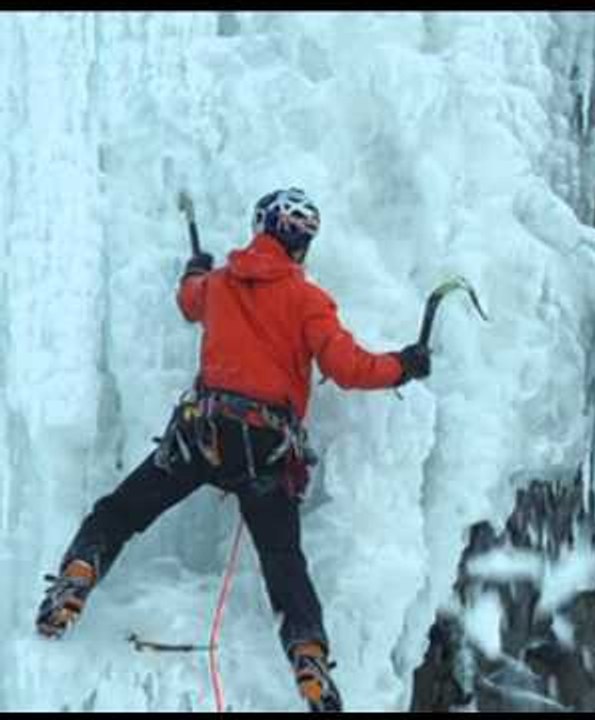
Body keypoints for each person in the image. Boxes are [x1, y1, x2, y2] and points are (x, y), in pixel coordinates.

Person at [35, 188, 431, 712]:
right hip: (264, 450)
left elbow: (188, 299)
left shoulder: (220, 283)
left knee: (121, 511)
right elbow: (347, 368)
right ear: (302, 244)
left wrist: (192, 269)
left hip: (202, 435)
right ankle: (308, 656)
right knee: (284, 562)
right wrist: (405, 364)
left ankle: (78, 576)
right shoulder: (307, 299)